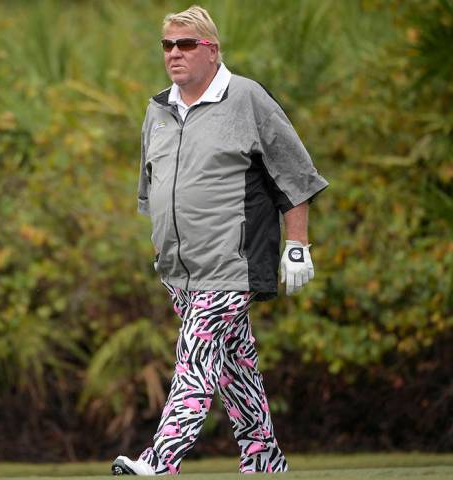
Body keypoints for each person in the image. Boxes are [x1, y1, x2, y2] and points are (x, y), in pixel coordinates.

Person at [111, 5, 328, 476]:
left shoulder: (246, 98)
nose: (174, 53)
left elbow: (295, 176)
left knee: (197, 361)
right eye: (167, 44)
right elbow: (153, 191)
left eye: (185, 44)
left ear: (211, 50)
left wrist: (297, 245)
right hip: (179, 273)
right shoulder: (158, 109)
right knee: (234, 368)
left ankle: (160, 461)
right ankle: (265, 460)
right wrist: (161, 254)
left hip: (233, 264)